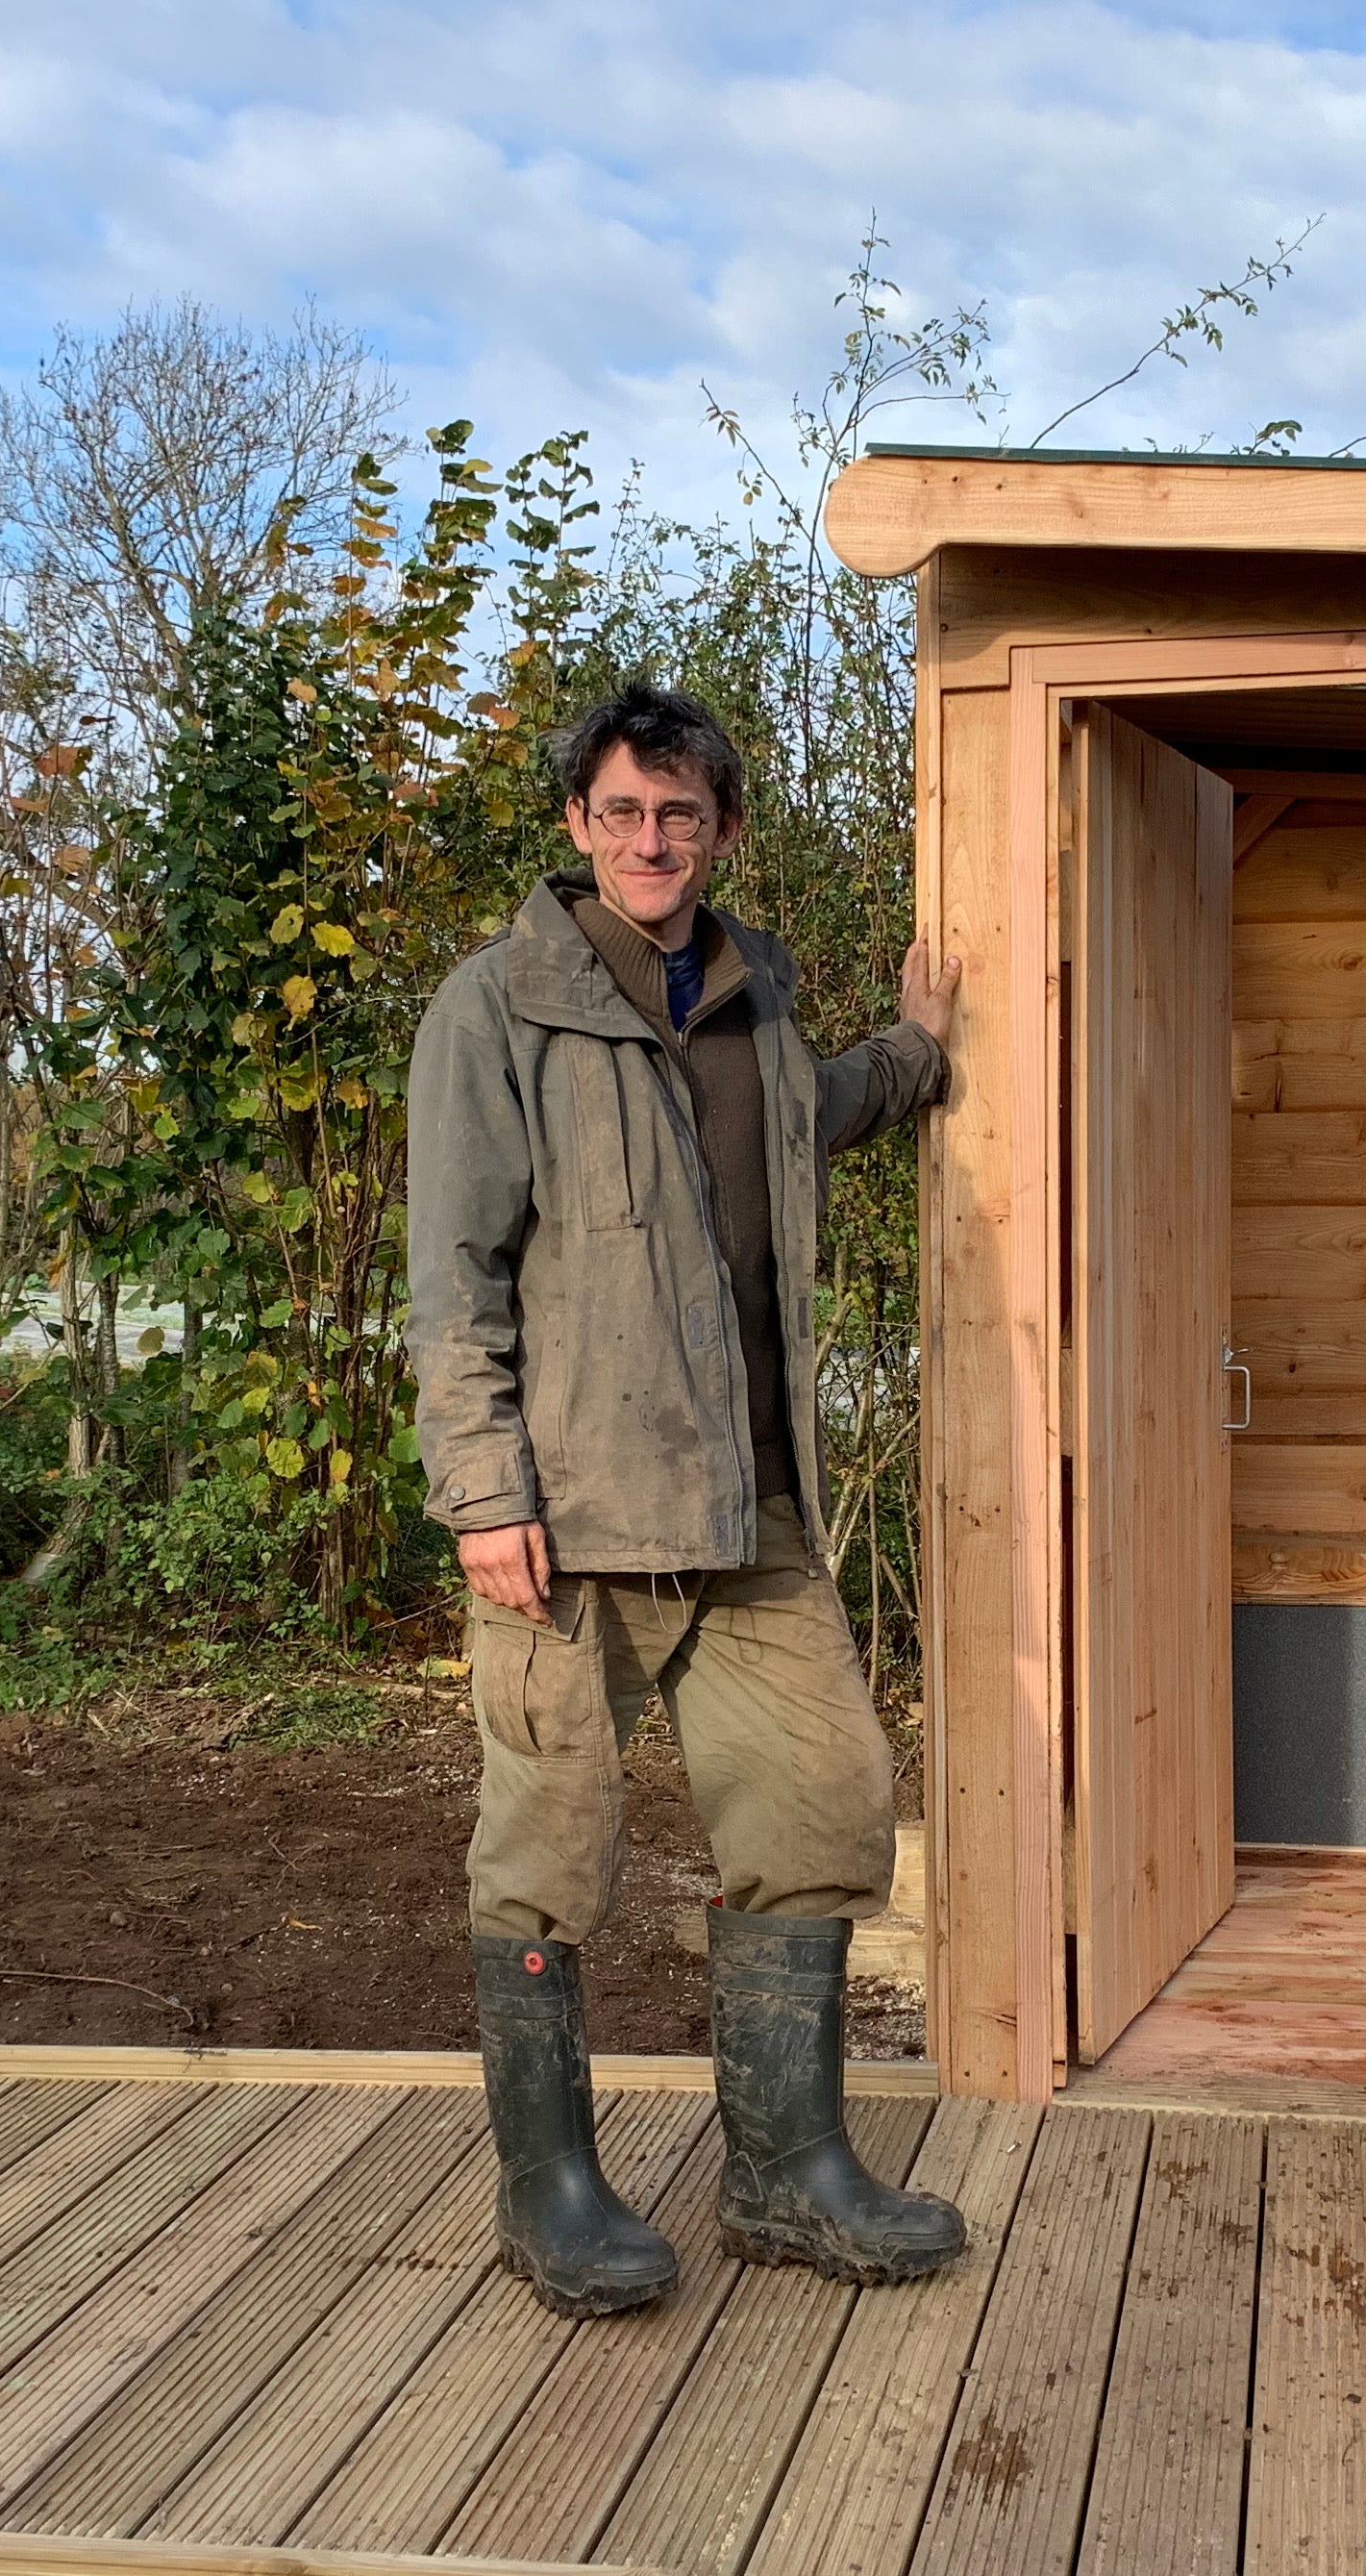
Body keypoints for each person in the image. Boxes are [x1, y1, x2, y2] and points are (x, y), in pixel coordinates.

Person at [408, 679, 965, 2317]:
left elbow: (809, 1125)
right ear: (579, 825)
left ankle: (786, 2175)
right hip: (567, 1524)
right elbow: (452, 1278)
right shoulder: (498, 1010)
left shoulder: (751, 999)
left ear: (720, 830)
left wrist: (920, 1054)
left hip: (752, 1515)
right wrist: (483, 1491)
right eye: (626, 812)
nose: (655, 840)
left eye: (685, 815)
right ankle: (551, 2194)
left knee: (824, 1809)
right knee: (548, 1856)